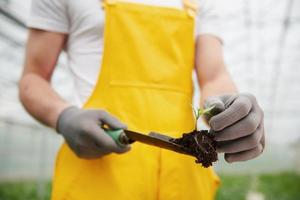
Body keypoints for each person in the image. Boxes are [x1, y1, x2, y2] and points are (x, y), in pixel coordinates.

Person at [19, 0, 265, 199]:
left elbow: (213, 76)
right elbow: (33, 78)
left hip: (183, 176)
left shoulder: (199, 3)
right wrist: (64, 116)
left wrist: (229, 109)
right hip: (98, 173)